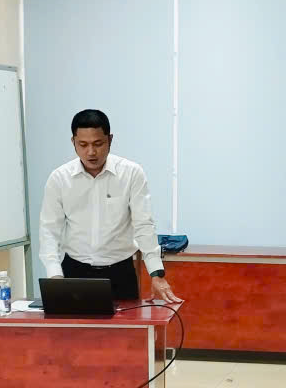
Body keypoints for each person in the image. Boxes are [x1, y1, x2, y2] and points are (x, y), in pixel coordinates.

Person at [38, 109, 180, 303]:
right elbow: (49, 230)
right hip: (75, 272)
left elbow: (143, 225)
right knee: (75, 324)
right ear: (73, 142)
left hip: (120, 273)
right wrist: (55, 276)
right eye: (83, 144)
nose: (91, 152)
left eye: (98, 144)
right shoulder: (59, 179)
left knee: (126, 324)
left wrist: (156, 273)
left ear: (110, 140)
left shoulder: (131, 173)